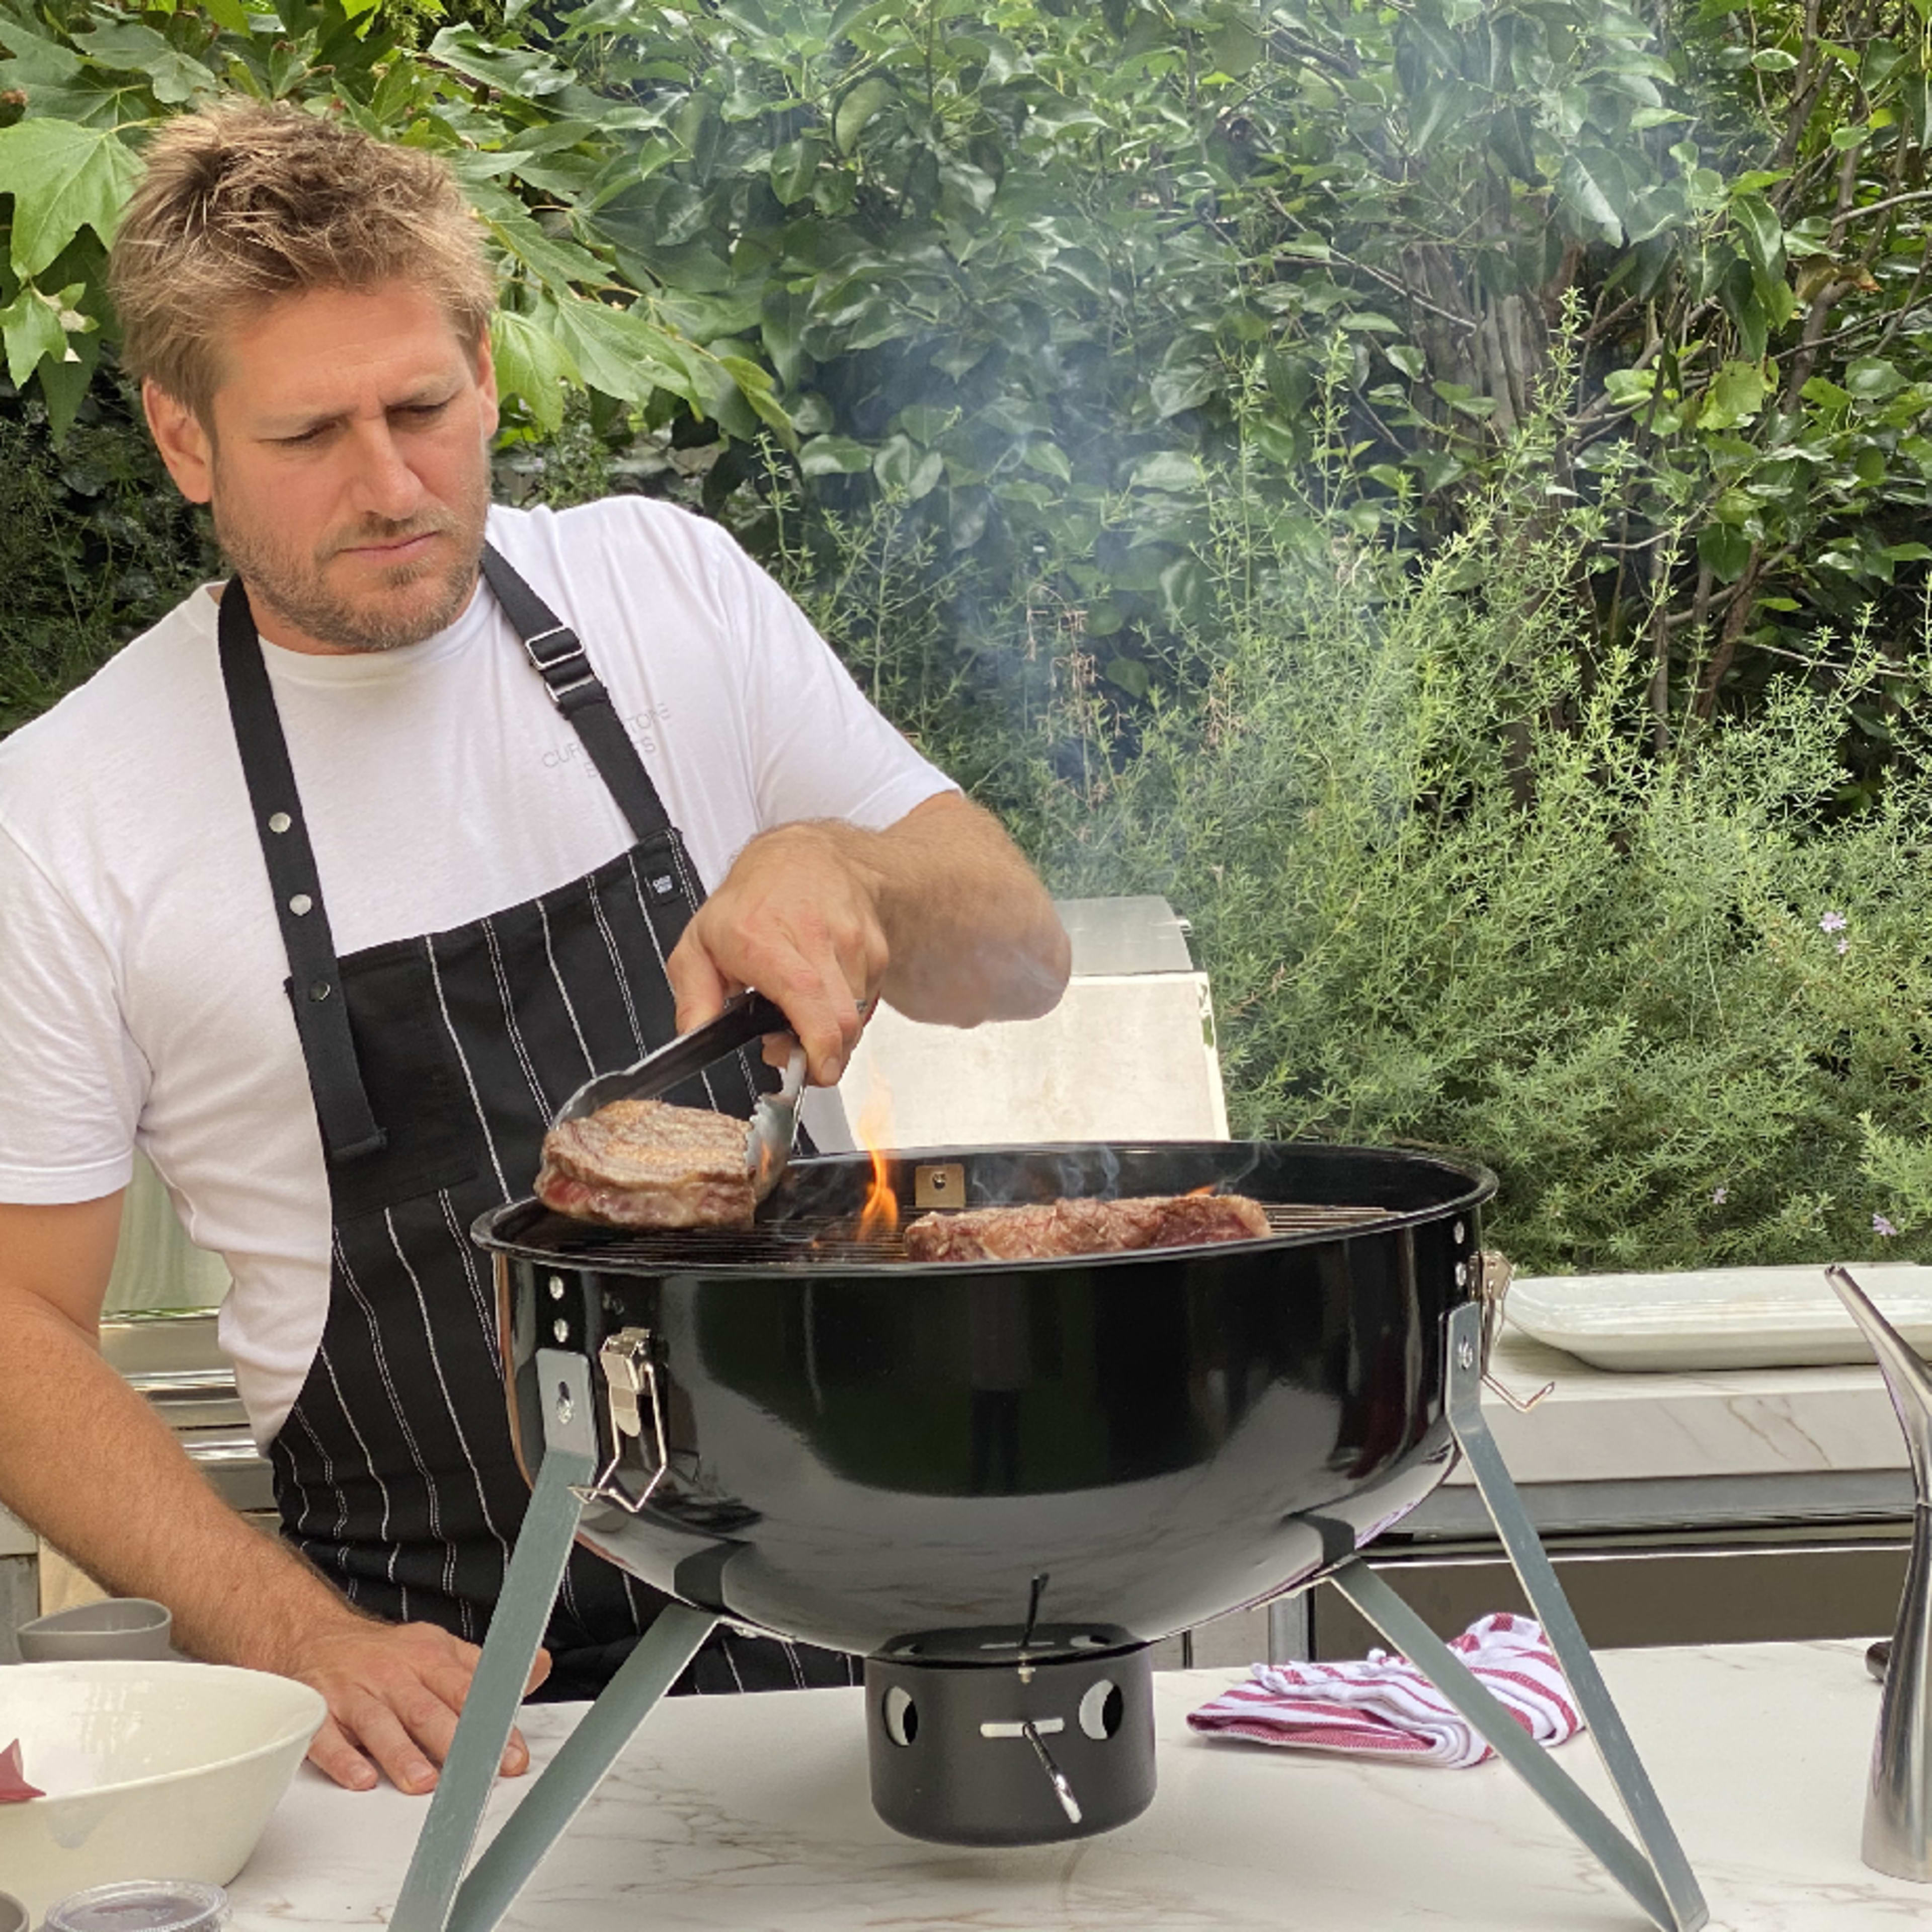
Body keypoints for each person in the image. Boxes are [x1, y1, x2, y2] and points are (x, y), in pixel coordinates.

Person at [0, 102, 1069, 1799]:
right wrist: (287, 1638)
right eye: (309, 436)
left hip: (865, 1617)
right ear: (184, 439)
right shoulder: (69, 811)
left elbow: (1020, 955)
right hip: (447, 1705)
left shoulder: (670, 595)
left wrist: (843, 865)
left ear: (486, 368)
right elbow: (15, 1323)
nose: (392, 483)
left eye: (423, 407)